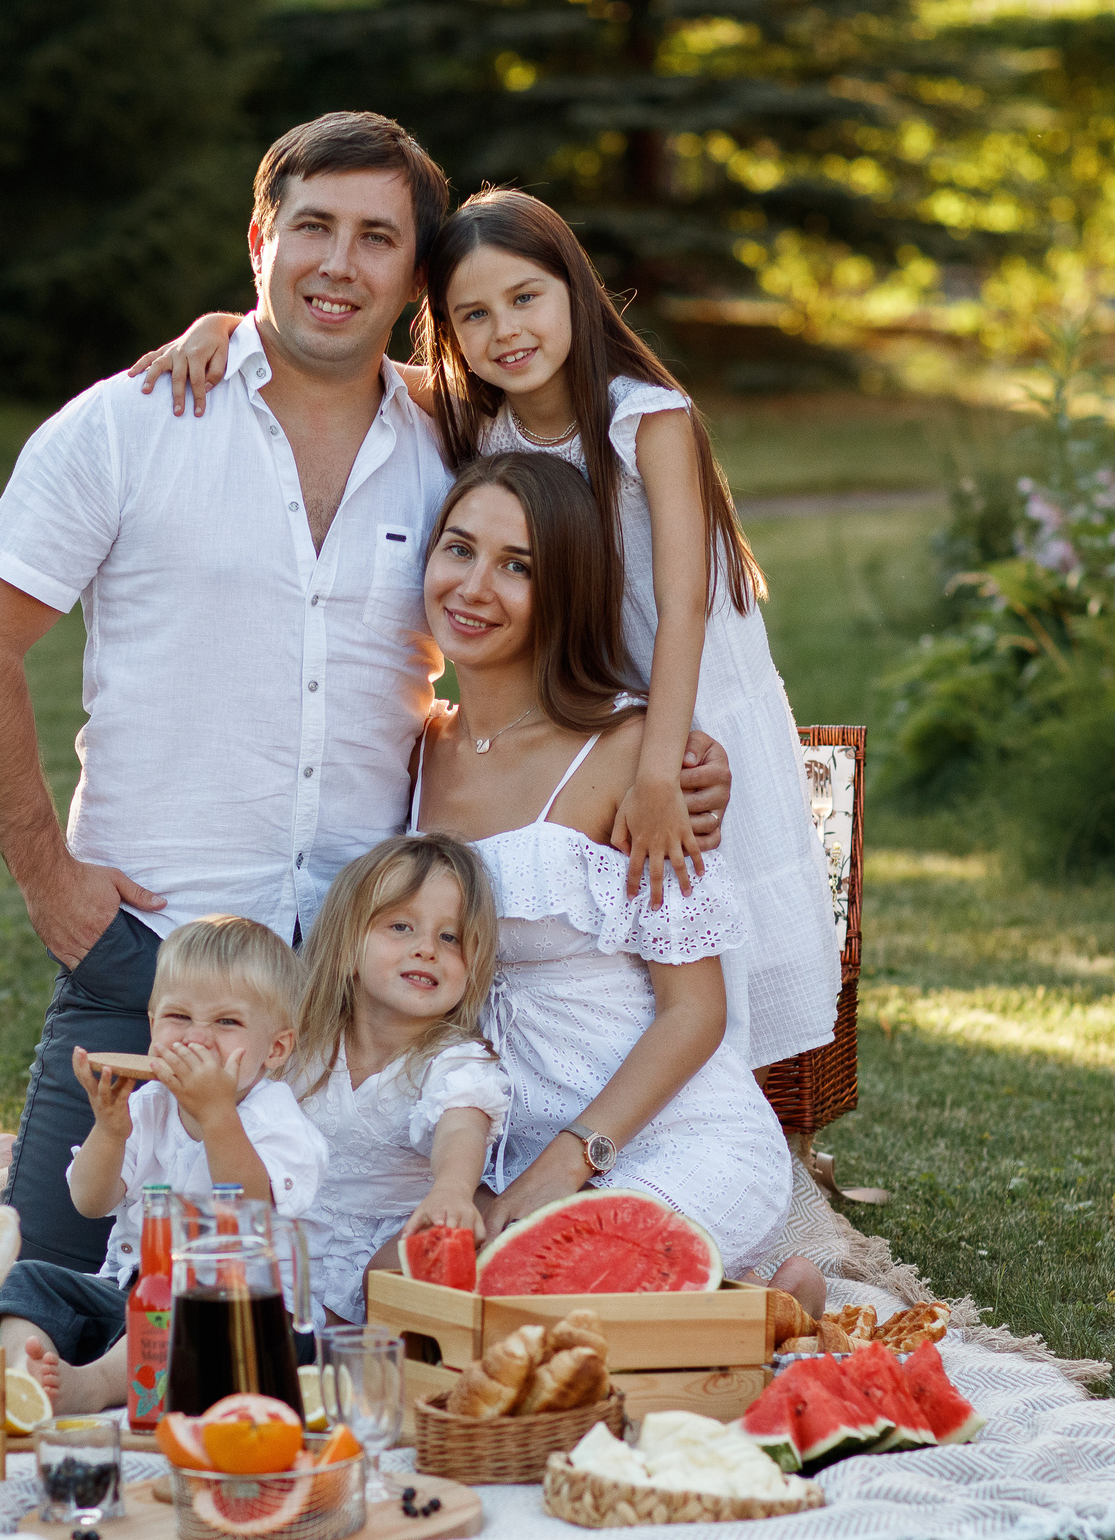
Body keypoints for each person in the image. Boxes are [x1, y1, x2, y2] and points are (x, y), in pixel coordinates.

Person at [0, 112, 736, 1270]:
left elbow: (560, 574)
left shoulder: (457, 442)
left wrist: (661, 752)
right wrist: (51, 881)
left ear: (413, 276)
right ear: (259, 236)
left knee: (354, 1300)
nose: (337, 265)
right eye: (312, 228)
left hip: (372, 981)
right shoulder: (130, 422)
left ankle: (11, 1171)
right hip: (156, 951)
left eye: (375, 239)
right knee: (59, 1282)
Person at [133, 187, 839, 1072]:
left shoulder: (647, 418)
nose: (506, 329)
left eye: (526, 298)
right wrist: (230, 330)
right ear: (451, 334)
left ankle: (769, 1125)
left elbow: (686, 603)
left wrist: (660, 763)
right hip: (595, 700)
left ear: (574, 290)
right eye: (473, 315)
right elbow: (350, 366)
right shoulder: (485, 419)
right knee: (622, 924)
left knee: (711, 908)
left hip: (694, 690)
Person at [408, 450, 824, 1314]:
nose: (474, 586)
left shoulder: (632, 756)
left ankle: (764, 1324)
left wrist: (573, 1158)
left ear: (564, 591)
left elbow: (696, 1009)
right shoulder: (414, 751)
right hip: (497, 1146)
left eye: (517, 566)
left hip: (668, 1132)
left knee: (542, 1307)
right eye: (459, 549)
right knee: (407, 1298)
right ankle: (748, 1307)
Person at [0, 916, 326, 1414]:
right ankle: (27, 1375)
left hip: (245, 1321)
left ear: (275, 1048)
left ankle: (92, 1387)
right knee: (28, 1279)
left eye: (226, 1022)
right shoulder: (148, 1105)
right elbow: (89, 1200)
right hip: (131, 1296)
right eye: (178, 1017)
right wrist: (110, 1131)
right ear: (151, 1026)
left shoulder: (276, 1120)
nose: (197, 1038)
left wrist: (216, 1113)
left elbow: (252, 1200)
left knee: (177, 1308)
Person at [284, 834, 510, 1326]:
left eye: (450, 937)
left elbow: (462, 1124)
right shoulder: (300, 1045)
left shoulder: (453, 1060)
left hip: (388, 1252)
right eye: (401, 926)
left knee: (393, 1274)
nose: (426, 949)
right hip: (291, 1242)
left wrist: (452, 1189)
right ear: (346, 948)